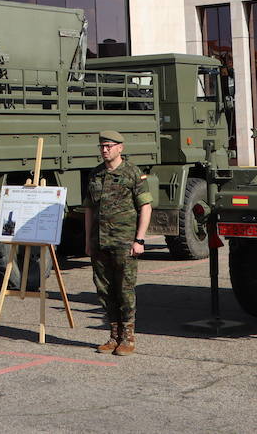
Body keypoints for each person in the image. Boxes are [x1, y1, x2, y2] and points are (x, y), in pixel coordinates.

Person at [83, 129, 153, 357]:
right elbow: (89, 210)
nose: (105, 150)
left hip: (124, 241)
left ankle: (128, 338)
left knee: (125, 289)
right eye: (102, 146)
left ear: (120, 148)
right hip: (100, 241)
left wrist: (139, 239)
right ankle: (113, 336)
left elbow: (145, 206)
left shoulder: (132, 173)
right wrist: (87, 240)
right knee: (104, 290)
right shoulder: (95, 175)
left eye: (109, 146)